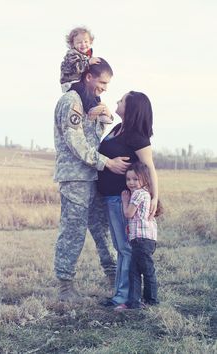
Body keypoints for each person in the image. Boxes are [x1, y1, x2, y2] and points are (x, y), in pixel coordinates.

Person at [54, 58, 130, 303]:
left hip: (92, 177)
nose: (105, 88)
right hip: (75, 179)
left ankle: (114, 278)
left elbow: (96, 136)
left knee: (102, 231)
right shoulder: (71, 101)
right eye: (102, 82)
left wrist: (107, 115)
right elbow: (76, 143)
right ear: (88, 77)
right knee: (73, 232)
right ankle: (65, 288)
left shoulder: (91, 102)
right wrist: (107, 163)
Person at [97, 91, 159, 306]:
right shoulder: (116, 129)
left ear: (131, 108)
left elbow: (149, 167)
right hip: (110, 197)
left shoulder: (137, 136)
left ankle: (123, 298)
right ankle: (123, 296)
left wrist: (154, 197)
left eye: (121, 100)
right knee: (121, 247)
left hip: (121, 198)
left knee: (124, 248)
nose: (116, 101)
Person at [114, 162, 163, 310]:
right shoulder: (145, 193)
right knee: (134, 271)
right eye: (128, 179)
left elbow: (129, 213)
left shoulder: (139, 193)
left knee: (147, 270)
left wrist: (124, 201)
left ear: (145, 179)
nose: (131, 183)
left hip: (142, 239)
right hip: (141, 240)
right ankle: (134, 302)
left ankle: (151, 301)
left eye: (135, 179)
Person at [60, 26, 113, 124]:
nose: (83, 44)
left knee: (94, 94)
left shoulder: (87, 55)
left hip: (79, 80)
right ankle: (92, 109)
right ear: (72, 44)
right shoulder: (72, 54)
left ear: (91, 42)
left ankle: (100, 111)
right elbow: (77, 67)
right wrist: (88, 62)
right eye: (79, 42)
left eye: (86, 41)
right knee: (83, 90)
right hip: (71, 82)